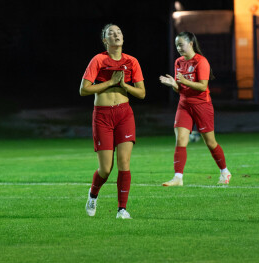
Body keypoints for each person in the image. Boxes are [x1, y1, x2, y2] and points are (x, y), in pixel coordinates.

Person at [80, 23, 145, 219]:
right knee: (106, 169)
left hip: (124, 114)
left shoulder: (132, 61)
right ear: (105, 40)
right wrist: (110, 82)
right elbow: (83, 90)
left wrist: (124, 84)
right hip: (102, 116)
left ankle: (122, 209)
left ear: (123, 38)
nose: (116, 35)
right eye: (111, 33)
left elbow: (141, 93)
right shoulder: (98, 60)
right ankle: (93, 195)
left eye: (119, 32)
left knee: (124, 163)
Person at [159, 31, 231, 186]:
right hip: (184, 105)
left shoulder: (201, 61)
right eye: (177, 45)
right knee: (180, 140)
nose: (178, 48)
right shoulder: (178, 62)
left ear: (190, 43)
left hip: (201, 105)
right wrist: (173, 85)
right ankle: (178, 177)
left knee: (210, 142)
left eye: (181, 44)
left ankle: (225, 171)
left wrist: (184, 80)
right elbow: (180, 88)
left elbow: (202, 86)